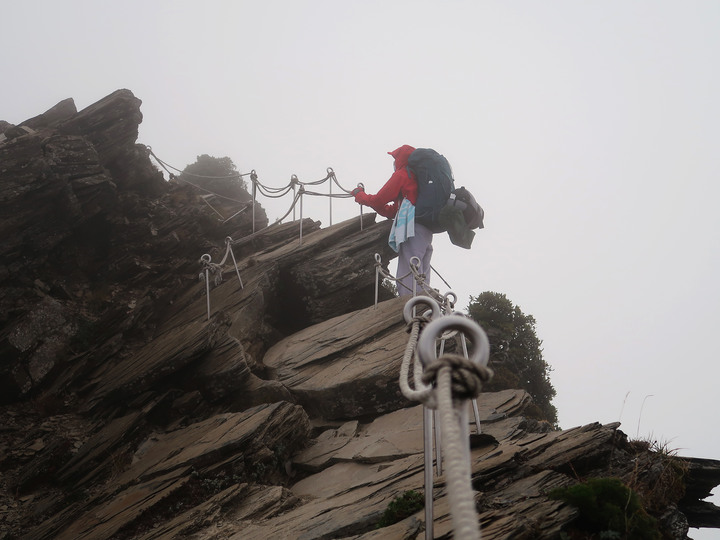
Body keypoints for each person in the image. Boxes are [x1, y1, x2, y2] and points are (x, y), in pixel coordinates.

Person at [352, 145, 433, 296]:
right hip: (427, 228)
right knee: (422, 274)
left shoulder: (403, 175)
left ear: (400, 159)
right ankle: (427, 311)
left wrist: (360, 196)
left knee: (408, 271)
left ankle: (412, 309)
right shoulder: (419, 178)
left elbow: (378, 200)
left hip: (412, 227)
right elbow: (393, 210)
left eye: (395, 159)